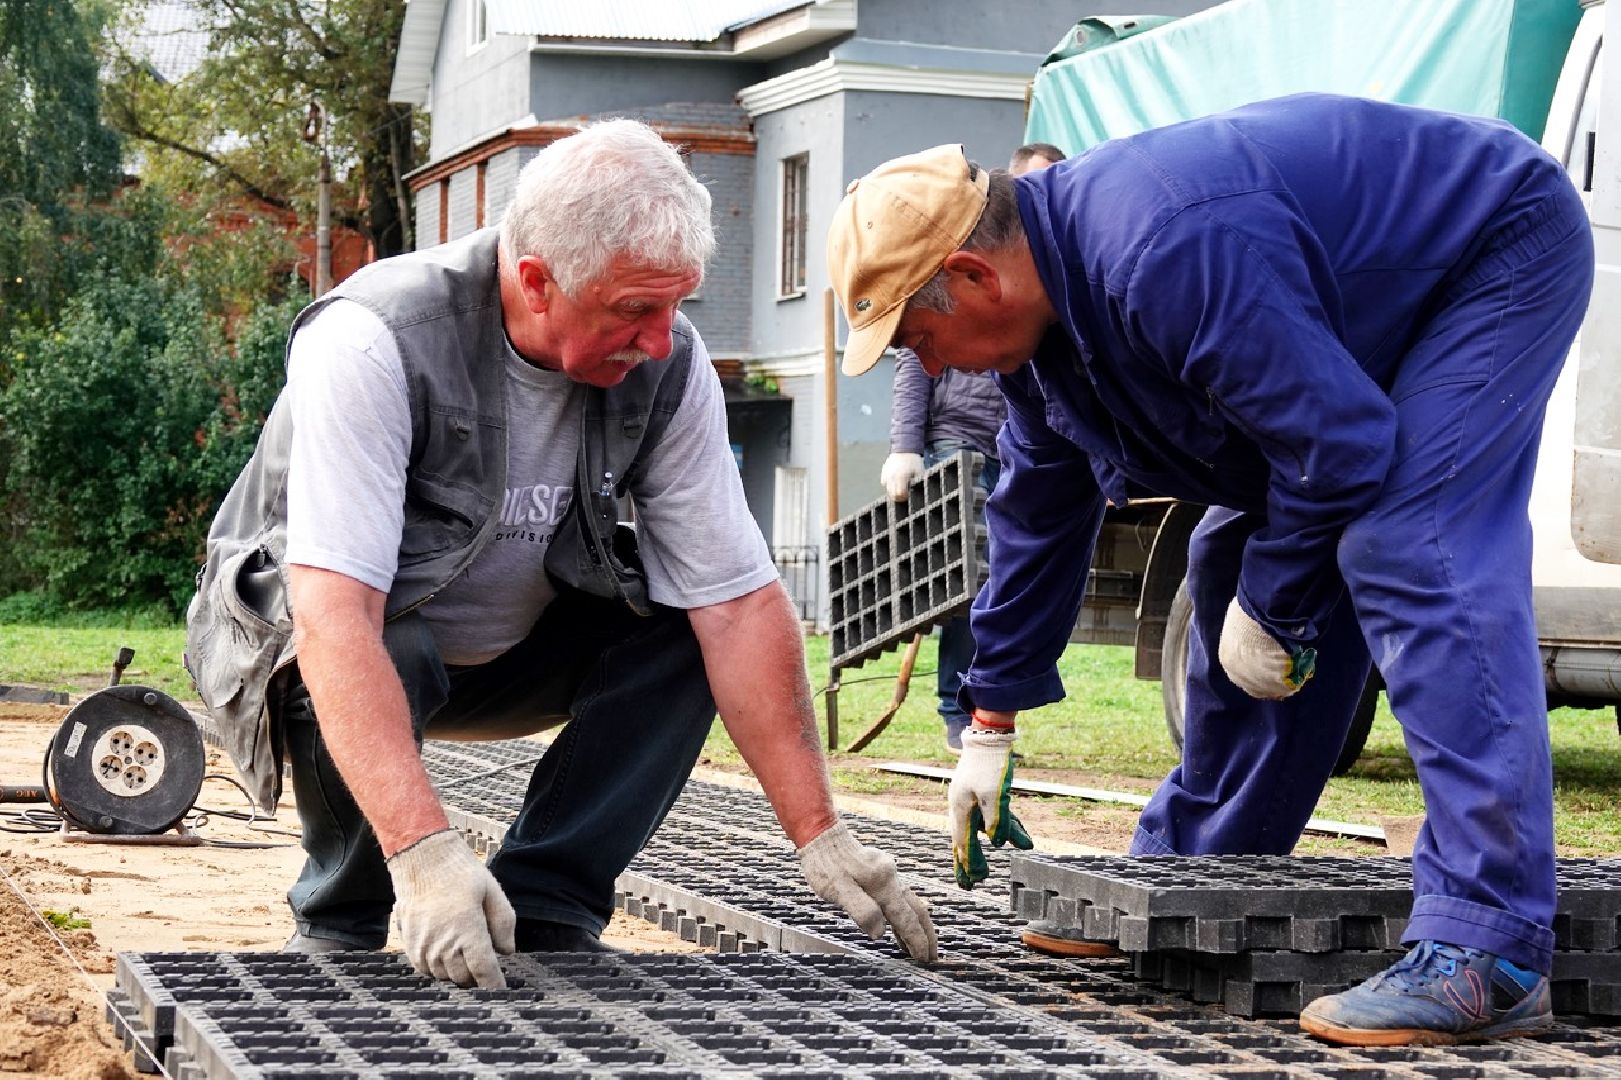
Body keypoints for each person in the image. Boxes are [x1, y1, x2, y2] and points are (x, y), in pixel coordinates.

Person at [827, 94, 1590, 1045]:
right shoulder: (1043, 324)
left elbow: (1337, 445)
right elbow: (1037, 506)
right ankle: (1194, 869)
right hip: (1363, 315)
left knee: (1408, 539)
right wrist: (989, 718)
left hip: (1491, 246)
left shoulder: (1161, 248)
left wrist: (1278, 606)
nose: (925, 367)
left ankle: (1490, 945)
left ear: (972, 274)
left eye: (913, 338)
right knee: (1227, 548)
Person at [186, 119, 936, 990]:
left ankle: (546, 904)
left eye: (675, 306)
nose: (661, 339)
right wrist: (427, 853)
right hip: (322, 647)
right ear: (536, 280)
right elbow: (333, 618)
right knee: (376, 639)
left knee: (686, 629)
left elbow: (735, 601)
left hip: (515, 649)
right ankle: (343, 915)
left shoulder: (669, 362)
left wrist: (819, 830)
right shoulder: (373, 339)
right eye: (634, 310)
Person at [880, 144, 1066, 754]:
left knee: (1000, 576)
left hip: (1011, 442)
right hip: (955, 444)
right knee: (967, 583)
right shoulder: (957, 277)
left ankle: (989, 703)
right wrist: (906, 446)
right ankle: (956, 708)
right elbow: (915, 361)